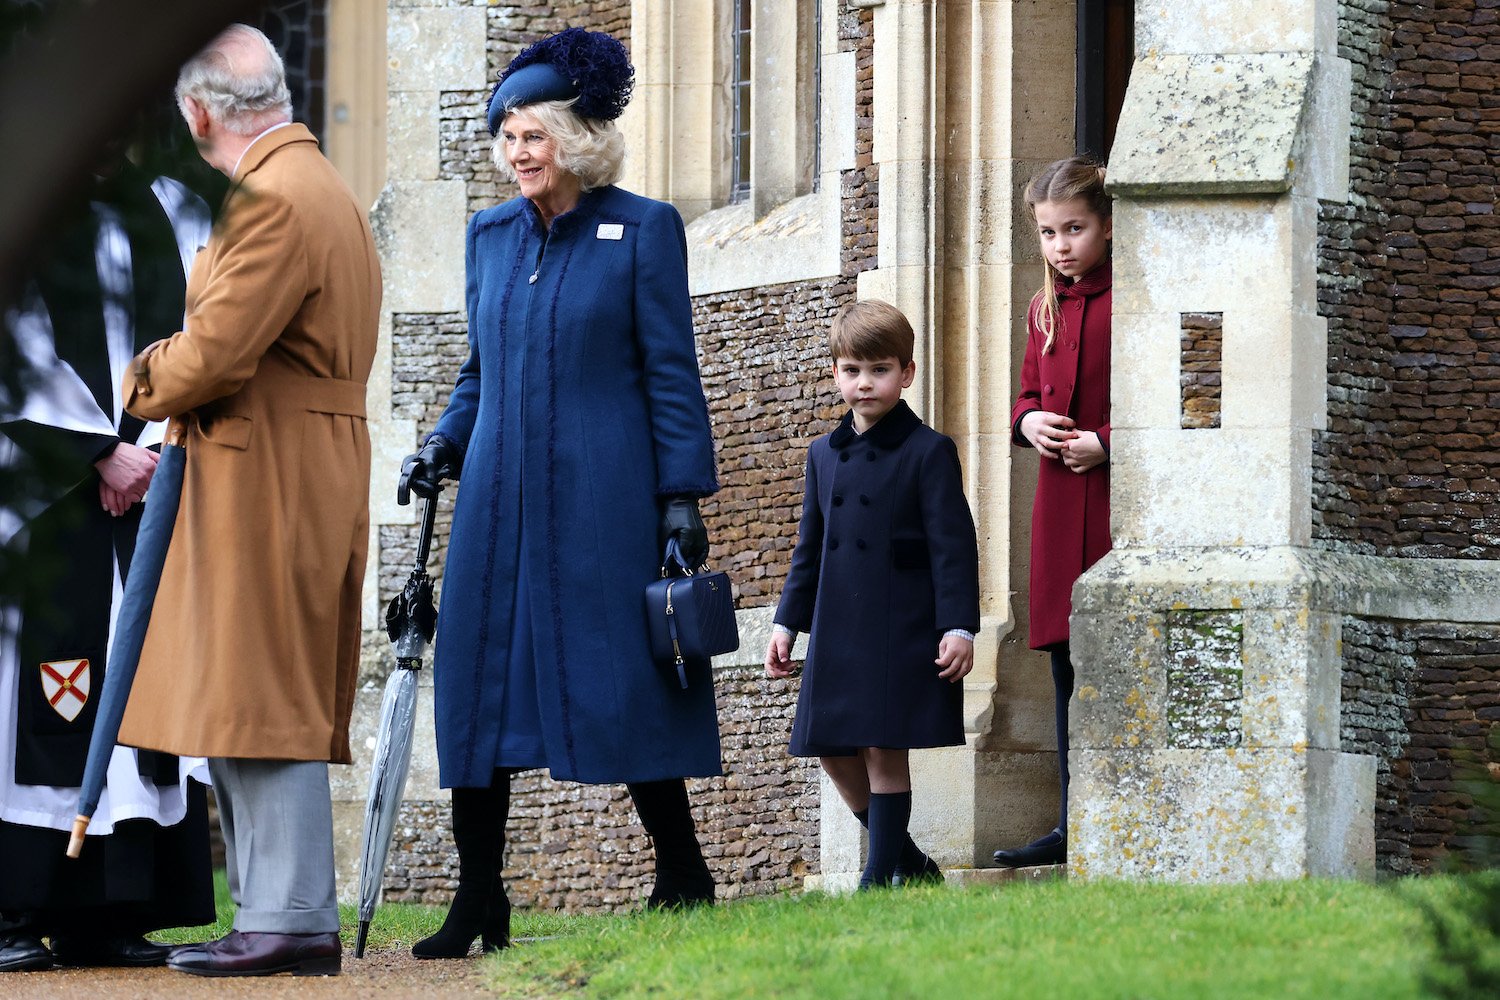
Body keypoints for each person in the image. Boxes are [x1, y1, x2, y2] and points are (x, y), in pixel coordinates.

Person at [397, 27, 722, 959]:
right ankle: (478, 899)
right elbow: (477, 373)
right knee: (476, 681)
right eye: (505, 136)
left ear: (576, 137)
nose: (516, 152)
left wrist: (681, 498)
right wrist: (440, 444)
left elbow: (672, 373)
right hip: (497, 497)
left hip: (604, 493)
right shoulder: (489, 236)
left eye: (532, 134)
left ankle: (682, 867)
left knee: (626, 675)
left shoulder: (642, 227)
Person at [112, 24, 381, 977]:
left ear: (196, 113)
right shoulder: (314, 182)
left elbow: (215, 353)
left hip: (269, 460)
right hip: (288, 451)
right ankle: (273, 908)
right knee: (251, 680)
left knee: (263, 682)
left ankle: (293, 915)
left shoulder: (270, 198)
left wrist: (141, 378)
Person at [0, 149, 214, 973]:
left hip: (159, 476)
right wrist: (96, 452)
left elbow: (209, 331)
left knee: (140, 688)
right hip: (42, 494)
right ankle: (17, 909)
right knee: (40, 694)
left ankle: (115, 910)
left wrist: (153, 448)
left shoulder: (178, 207)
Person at [764, 299, 981, 889]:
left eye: (879, 370)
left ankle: (878, 876)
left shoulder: (929, 451)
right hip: (837, 627)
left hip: (899, 624)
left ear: (906, 373)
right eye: (853, 370)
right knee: (831, 748)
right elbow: (809, 549)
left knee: (884, 751)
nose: (865, 383)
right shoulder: (822, 454)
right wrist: (786, 624)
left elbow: (953, 547)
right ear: (836, 372)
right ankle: (910, 863)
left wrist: (958, 627)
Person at [991, 157, 1113, 869]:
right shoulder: (1045, 308)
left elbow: (1175, 400)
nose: (1061, 245)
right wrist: (1028, 422)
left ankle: (1110, 815)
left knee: (1110, 657)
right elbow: (1027, 393)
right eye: (1048, 233)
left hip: (1113, 503)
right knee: (1065, 665)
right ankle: (1071, 823)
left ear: (1104, 226)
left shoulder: (1137, 295)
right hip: (1058, 506)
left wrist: (1108, 443)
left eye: (1075, 229)